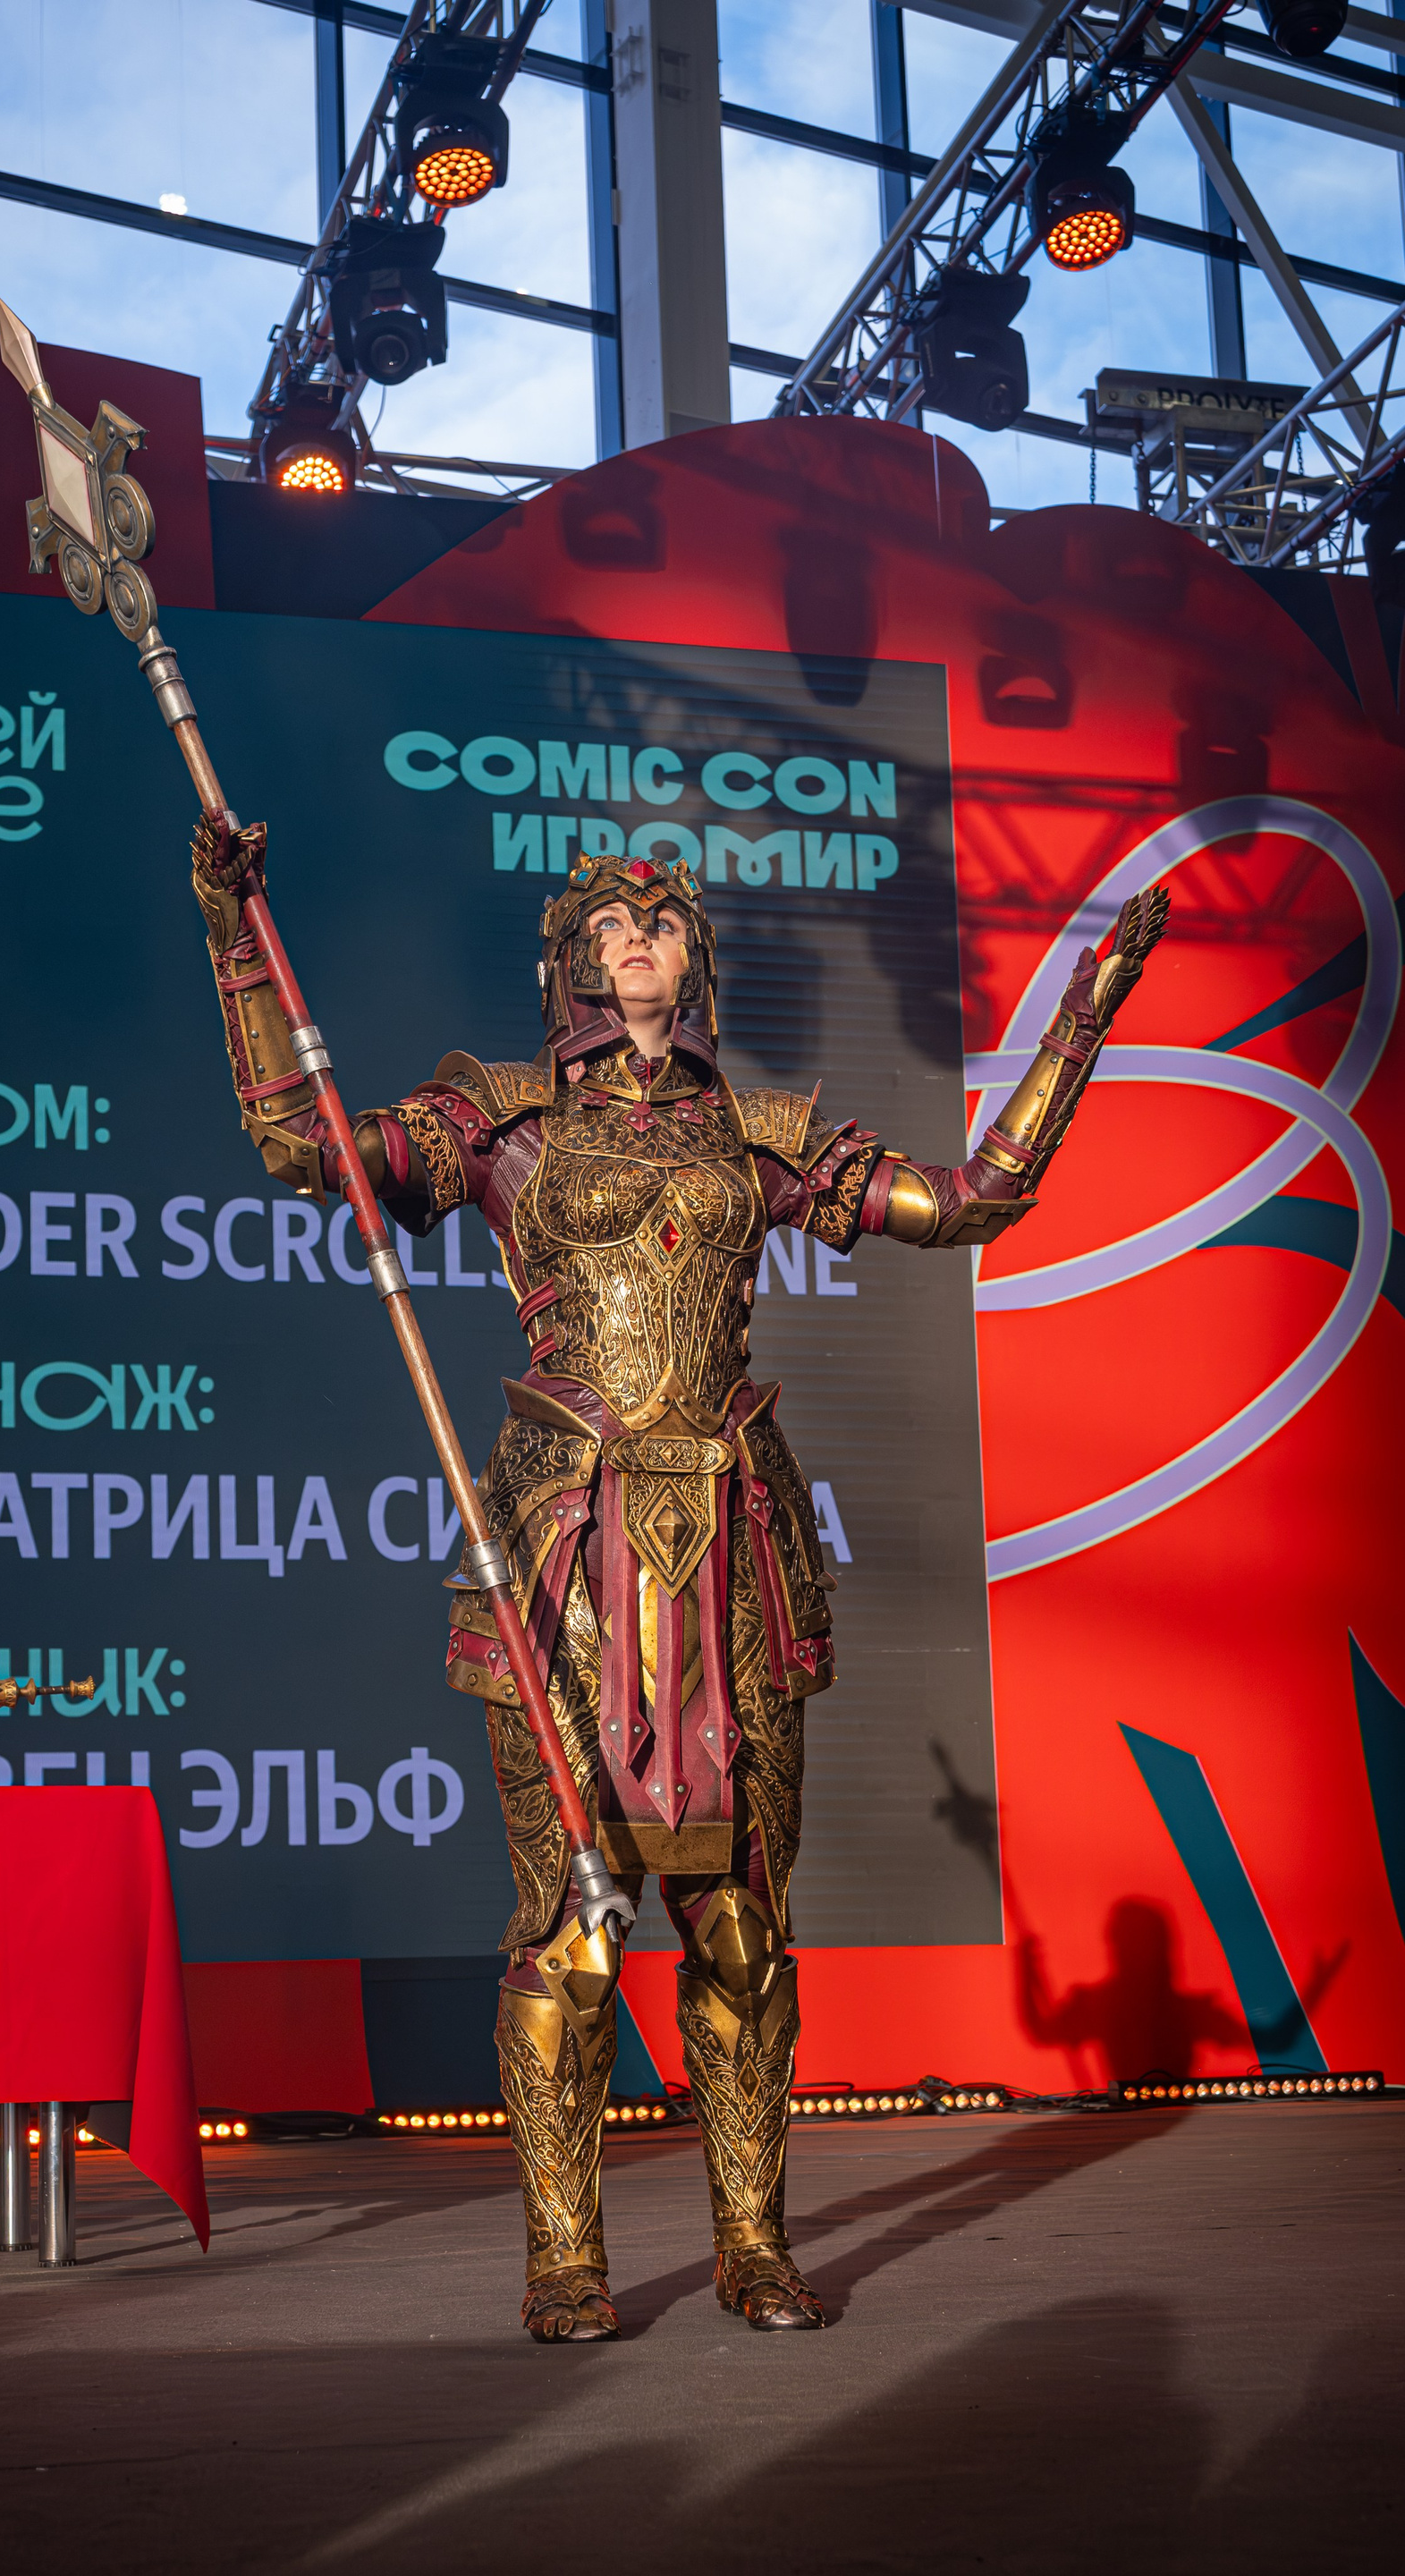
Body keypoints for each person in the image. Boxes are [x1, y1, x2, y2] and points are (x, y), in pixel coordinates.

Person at [192, 824, 1166, 2343]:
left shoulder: (760, 1138)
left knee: (740, 1929)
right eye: (605, 921)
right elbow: (297, 1142)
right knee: (573, 1932)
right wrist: (236, 927)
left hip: (732, 1551)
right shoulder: (499, 1120)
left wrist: (1083, 1020)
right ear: (570, 961)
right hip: (565, 1550)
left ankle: (754, 2247)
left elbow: (974, 1196)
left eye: (657, 918)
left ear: (694, 955)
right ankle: (565, 2260)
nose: (633, 934)